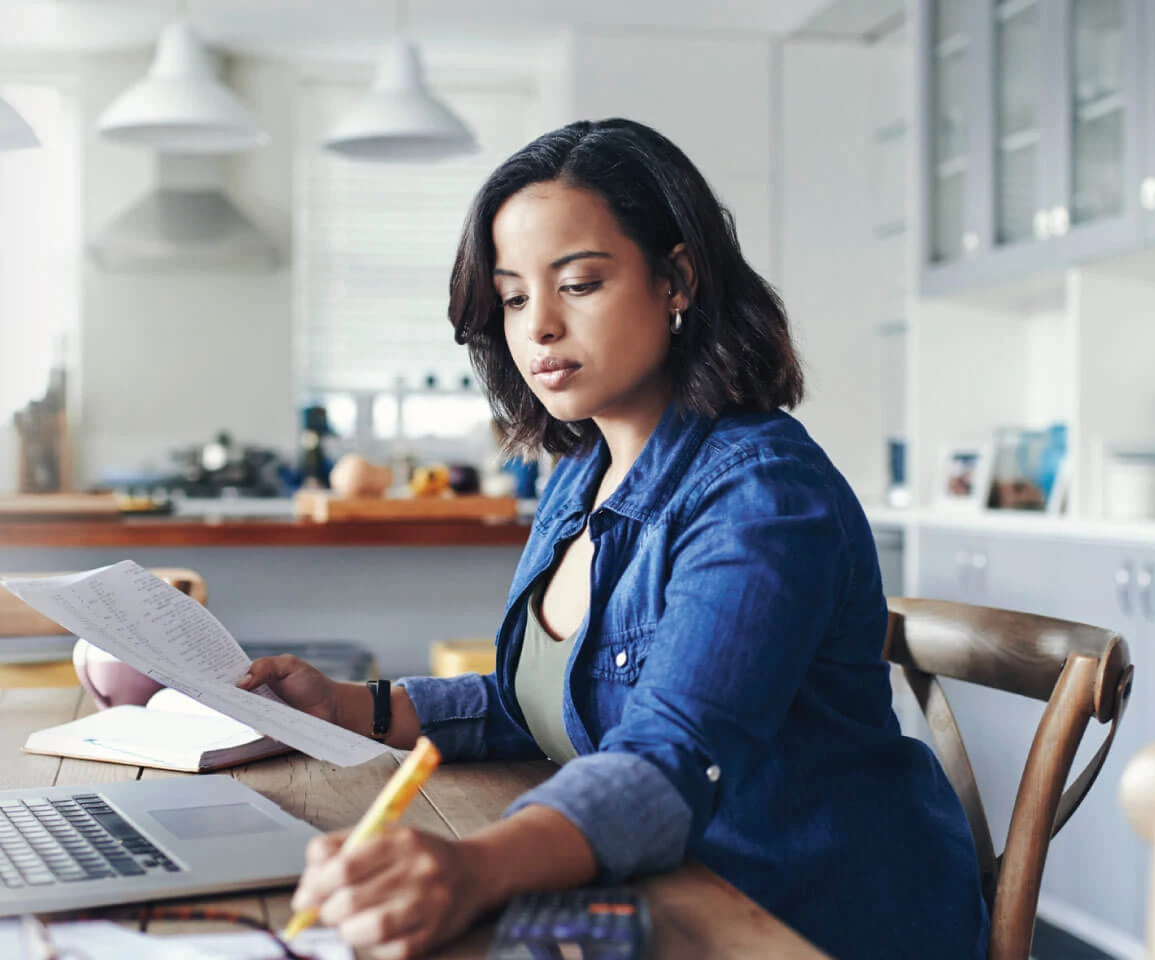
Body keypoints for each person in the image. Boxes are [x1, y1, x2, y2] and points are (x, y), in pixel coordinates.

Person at [238, 119, 987, 960]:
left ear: (676, 279)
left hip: (801, 918)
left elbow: (671, 754)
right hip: (668, 893)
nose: (539, 327)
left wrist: (475, 867)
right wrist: (351, 707)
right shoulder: (576, 476)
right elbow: (559, 705)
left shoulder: (761, 494)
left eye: (580, 284)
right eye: (515, 297)